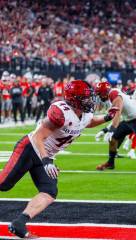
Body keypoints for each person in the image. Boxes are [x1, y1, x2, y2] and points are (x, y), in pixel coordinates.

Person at [0, 80, 118, 238]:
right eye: (85, 98)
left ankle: (19, 223)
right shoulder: (61, 112)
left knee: (49, 192)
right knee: (4, 185)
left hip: (46, 155)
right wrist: (46, 161)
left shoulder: (84, 113)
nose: (90, 101)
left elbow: (87, 122)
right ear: (74, 100)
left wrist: (106, 117)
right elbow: (38, 136)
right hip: (30, 149)